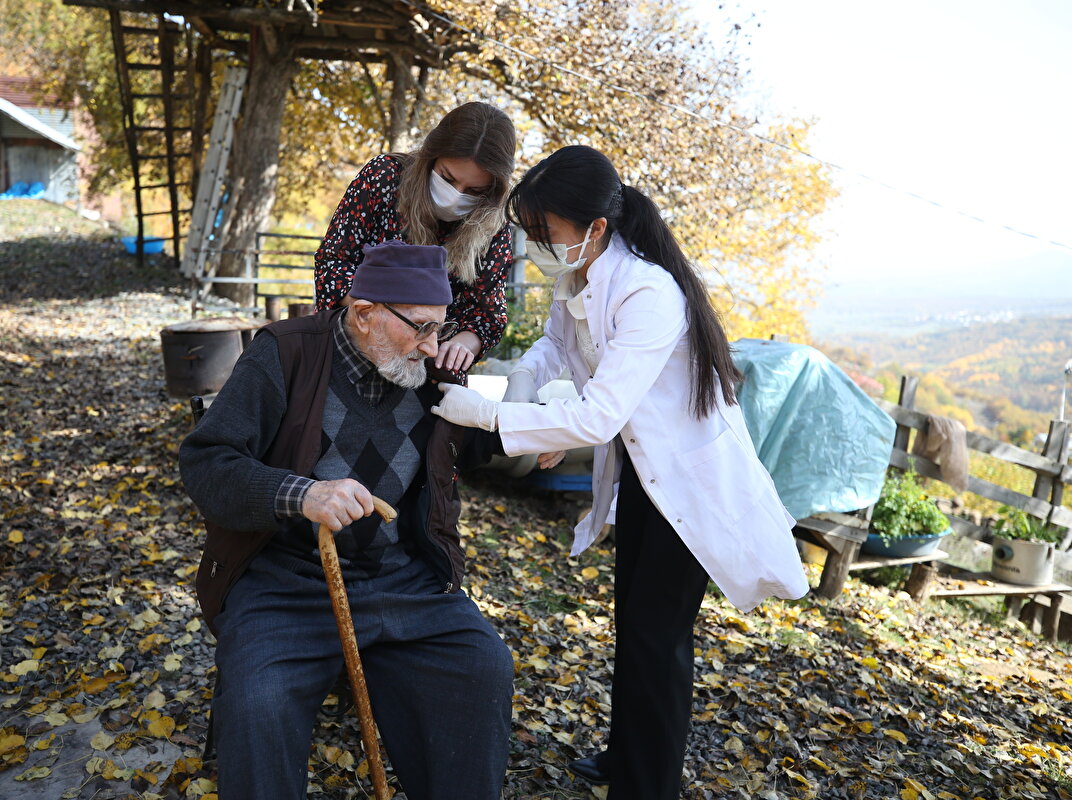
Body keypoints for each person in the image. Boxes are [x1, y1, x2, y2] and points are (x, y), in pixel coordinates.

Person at [431, 146, 810, 799]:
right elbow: (553, 345)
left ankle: (647, 783)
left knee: (658, 640)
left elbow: (599, 415)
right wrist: (522, 387)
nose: (537, 246)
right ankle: (625, 755)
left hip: (687, 486)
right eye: (531, 232)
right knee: (634, 621)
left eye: (545, 232)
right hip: (642, 474)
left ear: (596, 227)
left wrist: (492, 416)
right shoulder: (580, 274)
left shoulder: (648, 293)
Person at [181, 241, 514, 800]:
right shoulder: (285, 353)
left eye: (441, 328)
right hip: (288, 582)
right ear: (363, 313)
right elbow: (207, 462)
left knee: (482, 667)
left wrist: (535, 434)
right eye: (423, 328)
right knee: (259, 700)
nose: (434, 346)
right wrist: (302, 494)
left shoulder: (427, 368)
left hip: (404, 580)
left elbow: (468, 443)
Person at [314, 101, 516, 378]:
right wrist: (385, 321)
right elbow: (333, 264)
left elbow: (488, 314)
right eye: (447, 178)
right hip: (359, 349)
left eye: (474, 191)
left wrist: (463, 344)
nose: (456, 195)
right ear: (431, 157)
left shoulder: (494, 223)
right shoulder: (384, 177)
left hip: (430, 363)